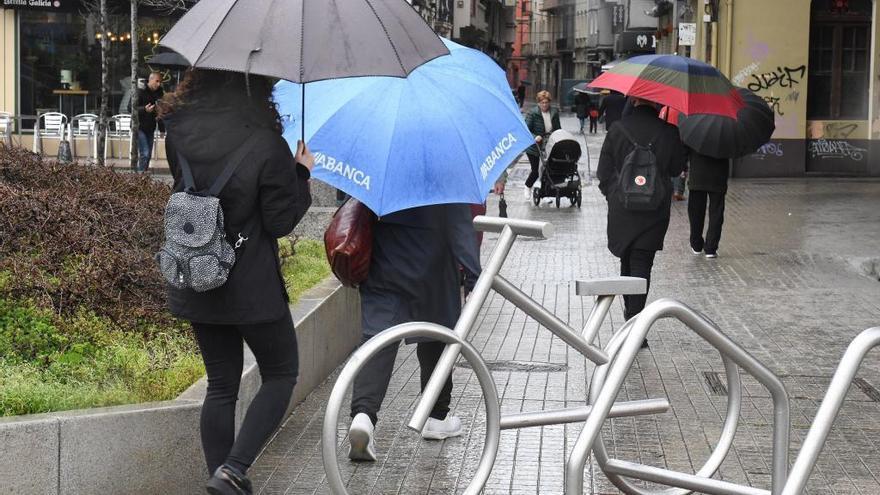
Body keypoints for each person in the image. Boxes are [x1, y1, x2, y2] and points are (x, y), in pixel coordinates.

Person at [158, 69, 314, 495]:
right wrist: (300, 173)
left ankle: (223, 480)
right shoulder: (266, 144)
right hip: (252, 285)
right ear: (257, 89)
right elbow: (280, 221)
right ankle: (232, 471)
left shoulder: (178, 134)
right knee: (281, 373)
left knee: (222, 383)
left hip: (197, 275)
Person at [348, 203, 481, 462]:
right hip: (432, 268)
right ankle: (436, 416)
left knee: (378, 341)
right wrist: (475, 277)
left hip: (383, 263)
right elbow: (459, 226)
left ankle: (363, 416)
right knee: (436, 336)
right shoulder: (445, 170)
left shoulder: (383, 164)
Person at [597, 97, 686, 347]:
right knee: (642, 263)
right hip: (654, 210)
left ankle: (631, 316)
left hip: (622, 209)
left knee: (626, 258)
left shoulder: (617, 129)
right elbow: (677, 168)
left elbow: (603, 173)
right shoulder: (669, 131)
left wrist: (615, 195)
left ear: (634, 101)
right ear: (657, 105)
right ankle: (635, 324)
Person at [687, 151, 729, 258]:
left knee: (695, 212)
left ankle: (696, 244)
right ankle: (711, 247)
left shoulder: (694, 134)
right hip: (718, 176)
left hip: (697, 176)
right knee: (716, 213)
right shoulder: (725, 135)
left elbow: (685, 150)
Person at [523, 90, 561, 199]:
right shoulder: (532, 113)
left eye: (546, 102)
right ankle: (527, 186)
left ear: (549, 102)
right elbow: (526, 130)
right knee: (535, 170)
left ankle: (546, 192)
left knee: (547, 169)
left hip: (549, 144)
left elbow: (558, 128)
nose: (544, 105)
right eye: (542, 102)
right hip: (534, 146)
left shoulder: (554, 112)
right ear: (538, 103)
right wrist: (535, 136)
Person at [135, 72, 165, 172]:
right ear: (150, 79)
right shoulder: (140, 91)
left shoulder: (159, 93)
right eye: (157, 81)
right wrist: (144, 109)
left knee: (148, 155)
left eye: (160, 82)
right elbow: (131, 108)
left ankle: (143, 176)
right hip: (139, 127)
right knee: (145, 153)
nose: (158, 84)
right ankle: (139, 177)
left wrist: (162, 129)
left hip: (150, 127)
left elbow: (160, 111)